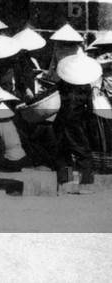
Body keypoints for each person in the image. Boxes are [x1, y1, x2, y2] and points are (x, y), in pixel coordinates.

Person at [53, 51, 101, 194]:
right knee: (83, 152)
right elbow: (90, 109)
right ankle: (85, 184)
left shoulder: (61, 85)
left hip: (61, 121)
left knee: (63, 152)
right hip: (76, 123)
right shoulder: (85, 87)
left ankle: (65, 183)